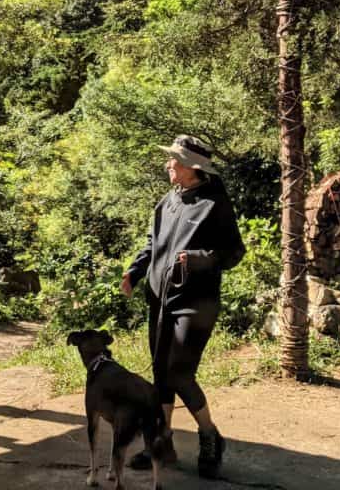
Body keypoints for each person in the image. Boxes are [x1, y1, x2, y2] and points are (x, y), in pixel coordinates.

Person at [120, 134, 245, 480]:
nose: (168, 165)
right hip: (159, 300)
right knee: (161, 374)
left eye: (173, 160)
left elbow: (233, 253)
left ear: (191, 167)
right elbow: (152, 243)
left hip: (196, 303)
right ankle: (162, 442)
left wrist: (197, 259)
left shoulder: (214, 203)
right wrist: (135, 269)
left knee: (180, 372)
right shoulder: (167, 201)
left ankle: (210, 435)